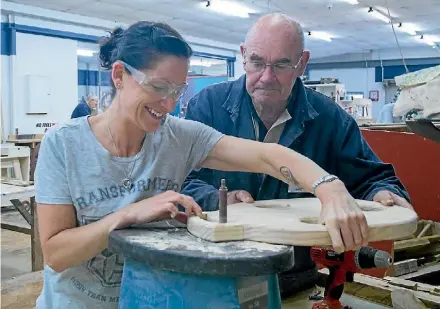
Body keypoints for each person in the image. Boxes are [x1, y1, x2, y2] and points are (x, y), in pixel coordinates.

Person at [35, 21, 369, 309]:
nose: (168, 104)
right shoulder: (64, 144)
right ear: (120, 75)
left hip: (150, 299)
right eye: (158, 87)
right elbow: (56, 254)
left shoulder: (180, 137)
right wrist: (127, 215)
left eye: (178, 90)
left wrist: (330, 188)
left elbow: (270, 156)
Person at [181, 13, 412, 296]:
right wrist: (219, 200)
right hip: (217, 272)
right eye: (256, 62)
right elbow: (180, 181)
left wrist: (381, 194)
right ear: (242, 55)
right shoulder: (207, 107)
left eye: (281, 64)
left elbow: (371, 178)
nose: (266, 77)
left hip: (293, 278)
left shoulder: (330, 120)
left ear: (302, 63)